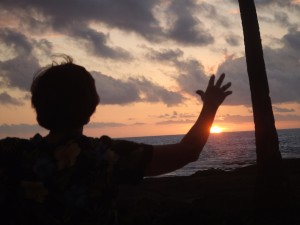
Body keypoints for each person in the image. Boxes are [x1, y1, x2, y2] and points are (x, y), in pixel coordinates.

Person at [0, 56, 232, 225]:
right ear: (91, 106)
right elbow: (187, 152)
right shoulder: (106, 157)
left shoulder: (12, 154)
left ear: (38, 107)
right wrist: (210, 106)